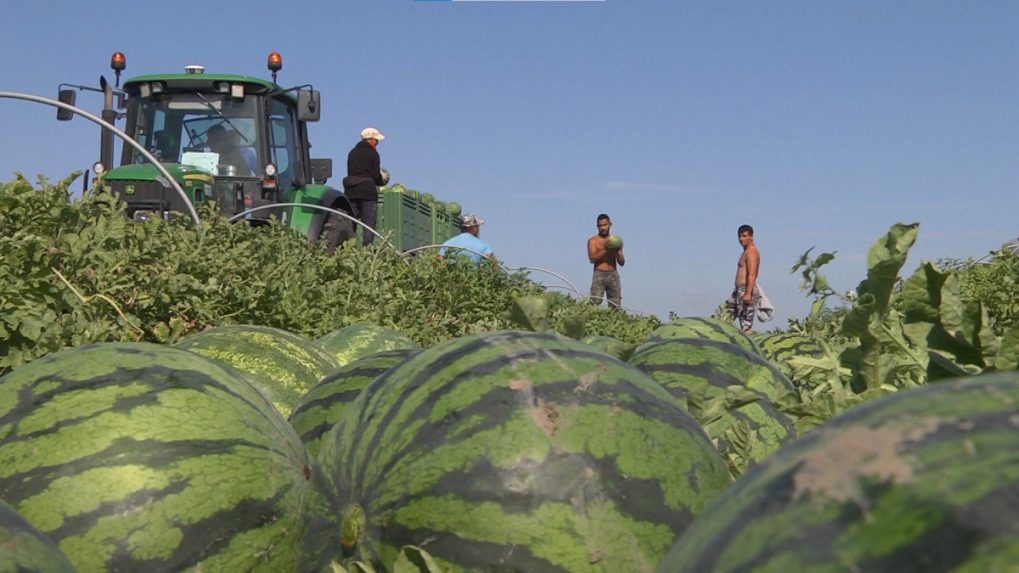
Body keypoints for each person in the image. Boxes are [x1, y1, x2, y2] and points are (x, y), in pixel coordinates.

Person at [343, 127, 388, 245]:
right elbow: (375, 175)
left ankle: (347, 247)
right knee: (369, 224)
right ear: (370, 139)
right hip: (367, 192)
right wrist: (381, 180)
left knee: (350, 221)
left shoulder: (352, 152)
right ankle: (366, 250)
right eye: (376, 140)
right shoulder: (373, 153)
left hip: (351, 191)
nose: (377, 143)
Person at [726, 224, 761, 333]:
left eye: (744, 236)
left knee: (746, 325)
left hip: (746, 290)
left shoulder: (751, 252)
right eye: (739, 236)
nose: (741, 239)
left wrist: (748, 293)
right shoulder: (745, 252)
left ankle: (750, 347)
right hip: (738, 291)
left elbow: (752, 274)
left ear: (751, 236)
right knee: (725, 317)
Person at [587, 213, 625, 308]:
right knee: (595, 302)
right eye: (600, 226)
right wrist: (606, 249)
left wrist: (618, 252)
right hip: (599, 274)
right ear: (597, 226)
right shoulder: (593, 241)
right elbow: (592, 258)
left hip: (613, 273)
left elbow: (622, 262)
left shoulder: (615, 241)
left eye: (605, 225)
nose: (603, 228)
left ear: (610, 225)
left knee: (615, 305)